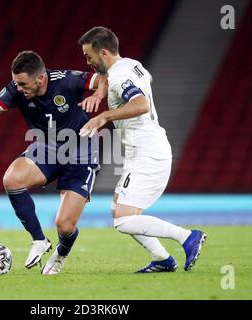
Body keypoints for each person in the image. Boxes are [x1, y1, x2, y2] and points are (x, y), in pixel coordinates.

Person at [0, 51, 104, 275]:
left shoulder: (68, 80)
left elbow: (104, 79)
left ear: (40, 79)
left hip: (81, 154)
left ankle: (61, 253)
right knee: (12, 179)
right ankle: (39, 239)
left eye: (22, 83)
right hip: (46, 149)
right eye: (16, 83)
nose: (18, 88)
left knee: (65, 225)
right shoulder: (16, 89)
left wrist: (98, 95)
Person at [78, 27, 206, 273]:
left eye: (89, 56)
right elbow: (110, 77)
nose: (87, 62)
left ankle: (187, 237)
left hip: (146, 153)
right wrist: (100, 90)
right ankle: (161, 259)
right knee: (117, 208)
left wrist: (104, 115)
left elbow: (141, 104)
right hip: (147, 149)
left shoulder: (120, 75)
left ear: (103, 53)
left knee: (123, 220)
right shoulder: (130, 65)